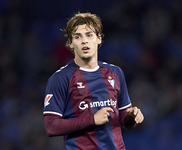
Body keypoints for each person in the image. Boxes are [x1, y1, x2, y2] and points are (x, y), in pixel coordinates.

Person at [43, 12, 144, 150]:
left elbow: (125, 122)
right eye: (78, 37)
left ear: (99, 39)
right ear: (71, 43)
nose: (84, 41)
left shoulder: (115, 73)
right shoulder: (60, 78)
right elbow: (51, 127)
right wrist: (92, 120)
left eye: (89, 35)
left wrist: (132, 116)